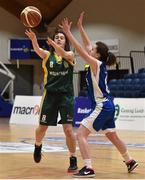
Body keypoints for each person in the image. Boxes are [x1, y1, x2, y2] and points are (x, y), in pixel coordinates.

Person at [59, 12, 138, 178]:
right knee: (112, 136)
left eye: (93, 49)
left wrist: (68, 33)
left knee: (80, 134)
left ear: (97, 54)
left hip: (102, 105)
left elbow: (81, 50)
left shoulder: (96, 63)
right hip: (107, 104)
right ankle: (129, 160)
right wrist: (80, 27)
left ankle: (89, 168)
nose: (91, 48)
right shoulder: (98, 61)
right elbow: (87, 44)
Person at [25, 28, 78, 172]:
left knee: (68, 130)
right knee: (42, 128)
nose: (59, 39)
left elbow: (65, 53)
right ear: (53, 40)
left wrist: (55, 45)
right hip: (50, 96)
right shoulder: (48, 55)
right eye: (57, 37)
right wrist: (34, 40)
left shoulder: (70, 55)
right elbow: (37, 50)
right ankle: (37, 145)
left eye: (62, 37)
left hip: (66, 96)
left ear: (65, 41)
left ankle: (73, 159)